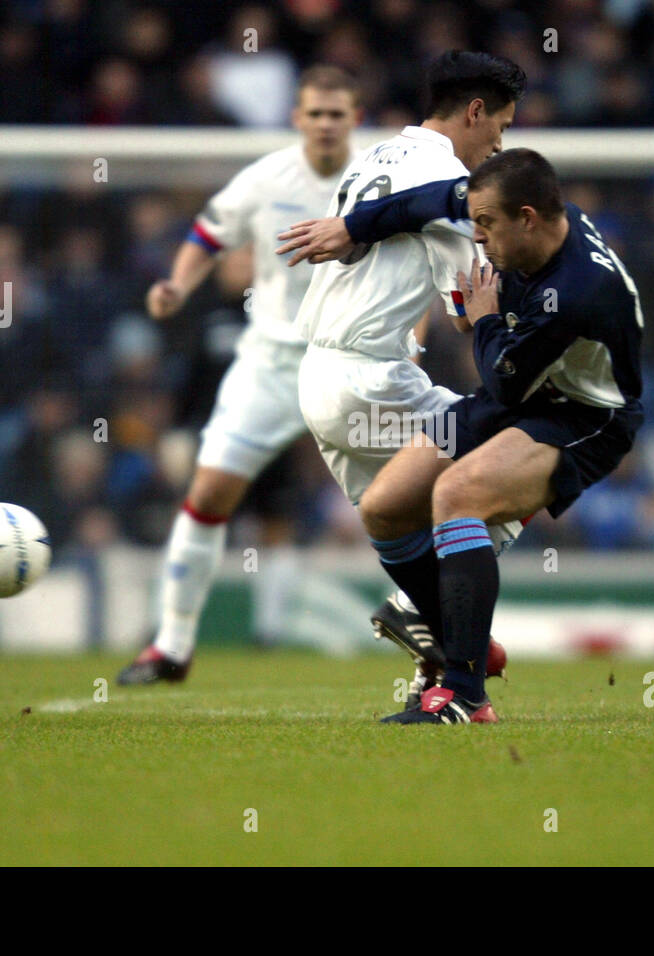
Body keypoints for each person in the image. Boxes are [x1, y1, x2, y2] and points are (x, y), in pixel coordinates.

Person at [281, 148, 646, 723]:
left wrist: (484, 318)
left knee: (457, 497)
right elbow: (426, 203)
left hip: (580, 416)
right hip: (523, 391)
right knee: (383, 509)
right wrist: (350, 226)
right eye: (473, 221)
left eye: (486, 225)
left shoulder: (579, 290)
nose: (475, 238)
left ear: (527, 217)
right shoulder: (526, 211)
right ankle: (452, 634)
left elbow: (502, 380)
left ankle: (464, 691)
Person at [280, 51, 526, 710]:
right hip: (373, 381)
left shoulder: (375, 157)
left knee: (404, 524)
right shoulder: (449, 178)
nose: (500, 142)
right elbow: (466, 300)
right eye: (500, 125)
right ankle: (427, 622)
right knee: (530, 446)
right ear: (474, 112)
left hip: (320, 380)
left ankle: (442, 680)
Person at [118, 66, 369, 684]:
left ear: (355, 118)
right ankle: (171, 647)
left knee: (416, 498)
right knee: (207, 497)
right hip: (273, 363)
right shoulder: (265, 178)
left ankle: (447, 651)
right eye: (316, 113)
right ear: (297, 119)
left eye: (337, 113)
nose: (326, 124)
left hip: (358, 361)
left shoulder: (382, 179)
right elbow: (207, 234)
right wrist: (178, 282)